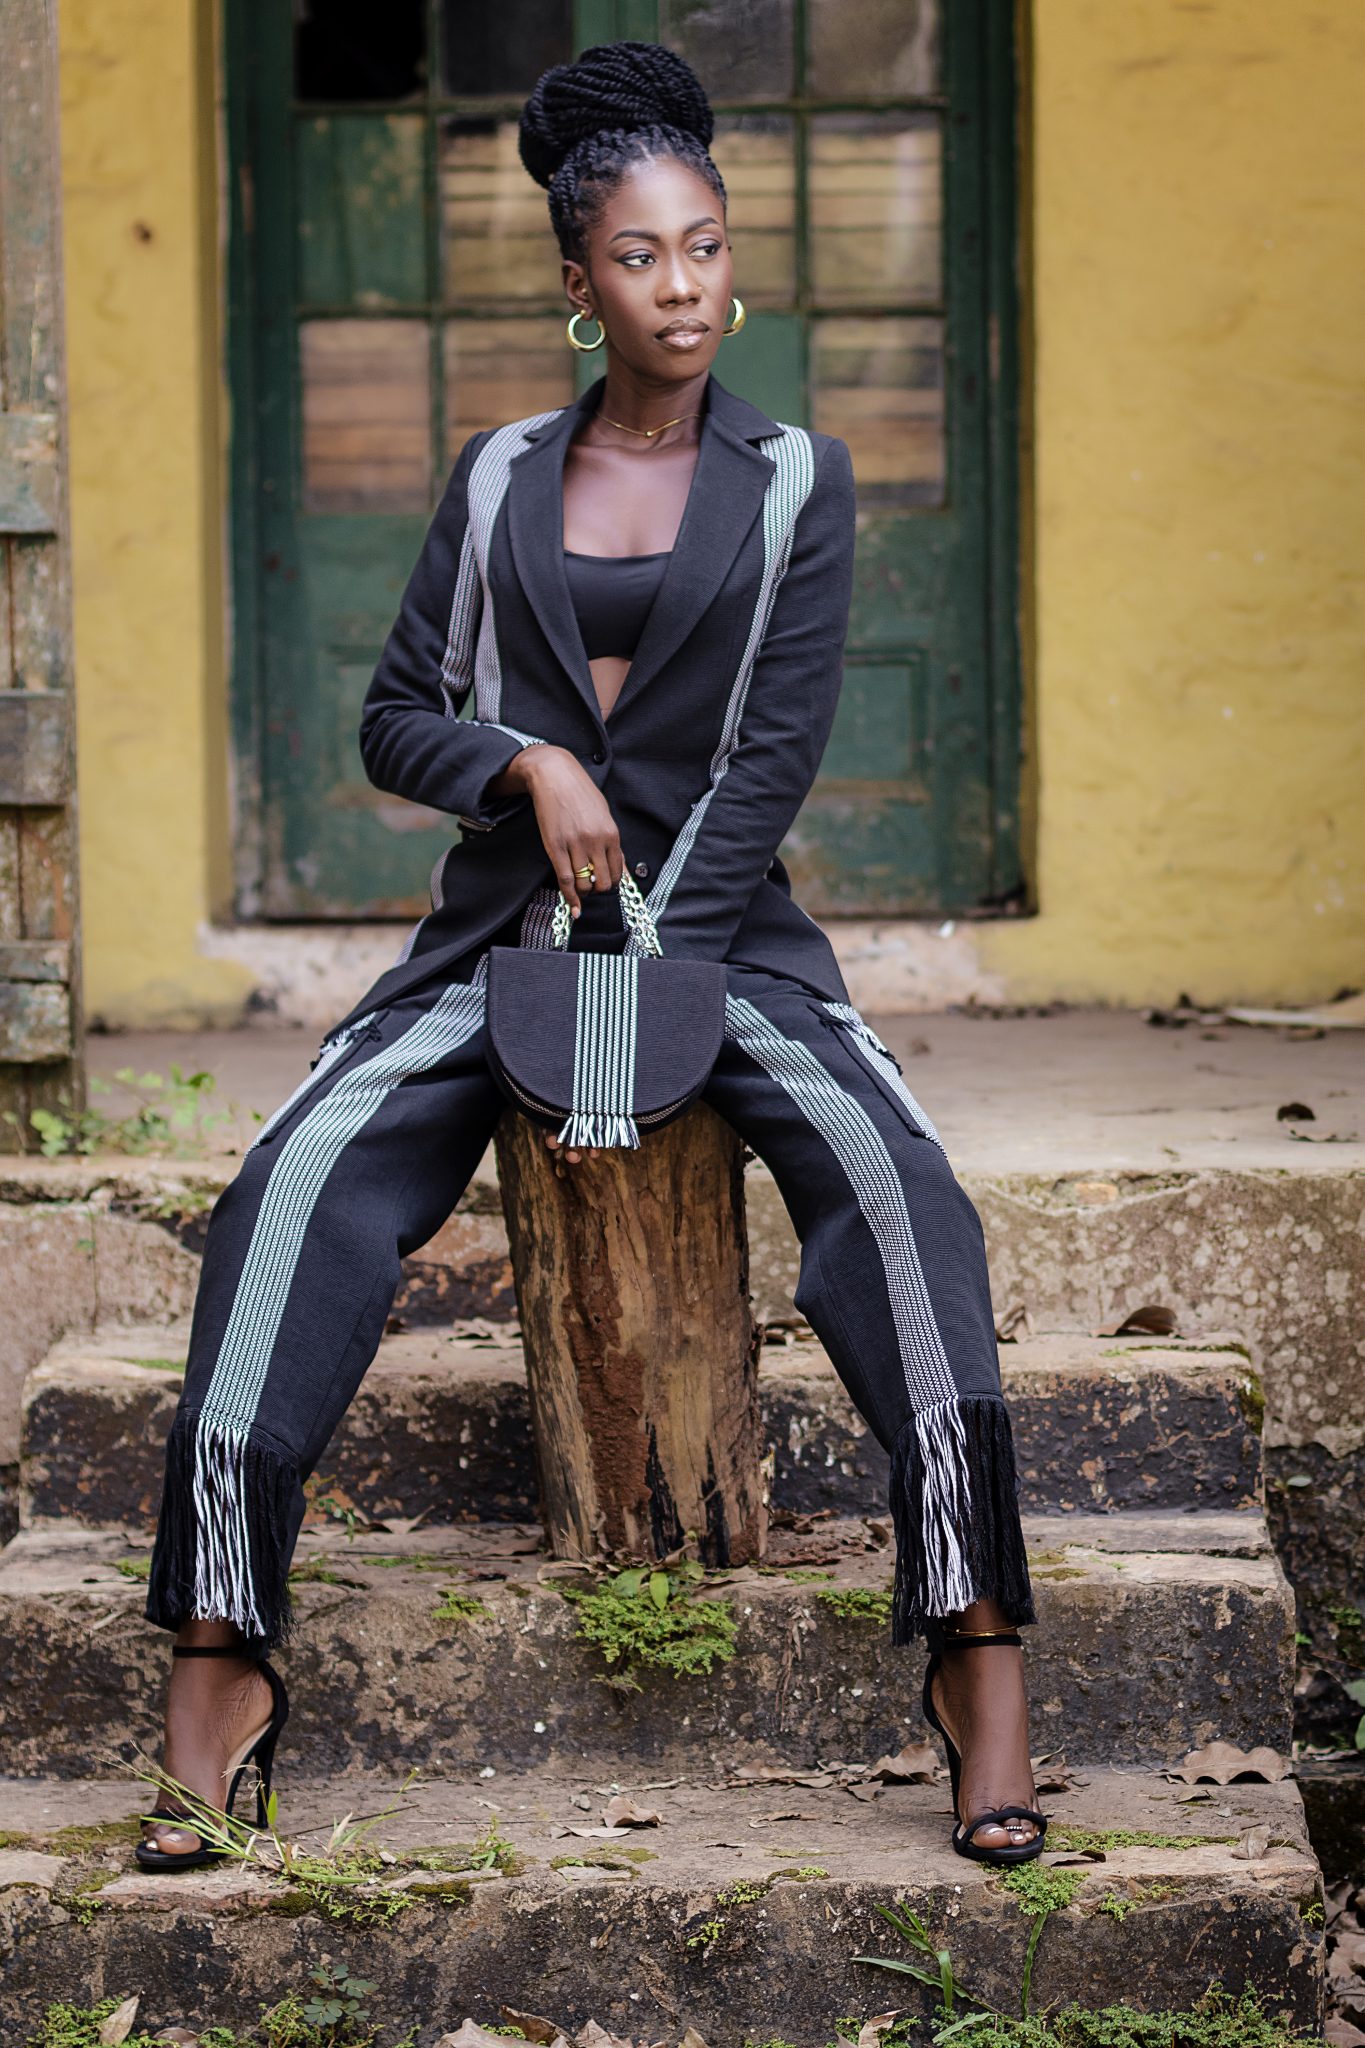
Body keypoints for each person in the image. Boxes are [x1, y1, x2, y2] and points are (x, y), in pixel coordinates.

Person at [136, 39, 1044, 1873]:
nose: (681, 287)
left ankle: (977, 1653)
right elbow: (395, 719)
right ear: (579, 282)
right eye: (640, 256)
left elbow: (772, 755)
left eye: (706, 249)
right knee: (290, 1191)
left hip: (726, 930)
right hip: (491, 937)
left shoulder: (795, 481)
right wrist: (528, 764)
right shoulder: (493, 480)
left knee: (899, 1194)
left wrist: (634, 990)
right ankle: (220, 1660)